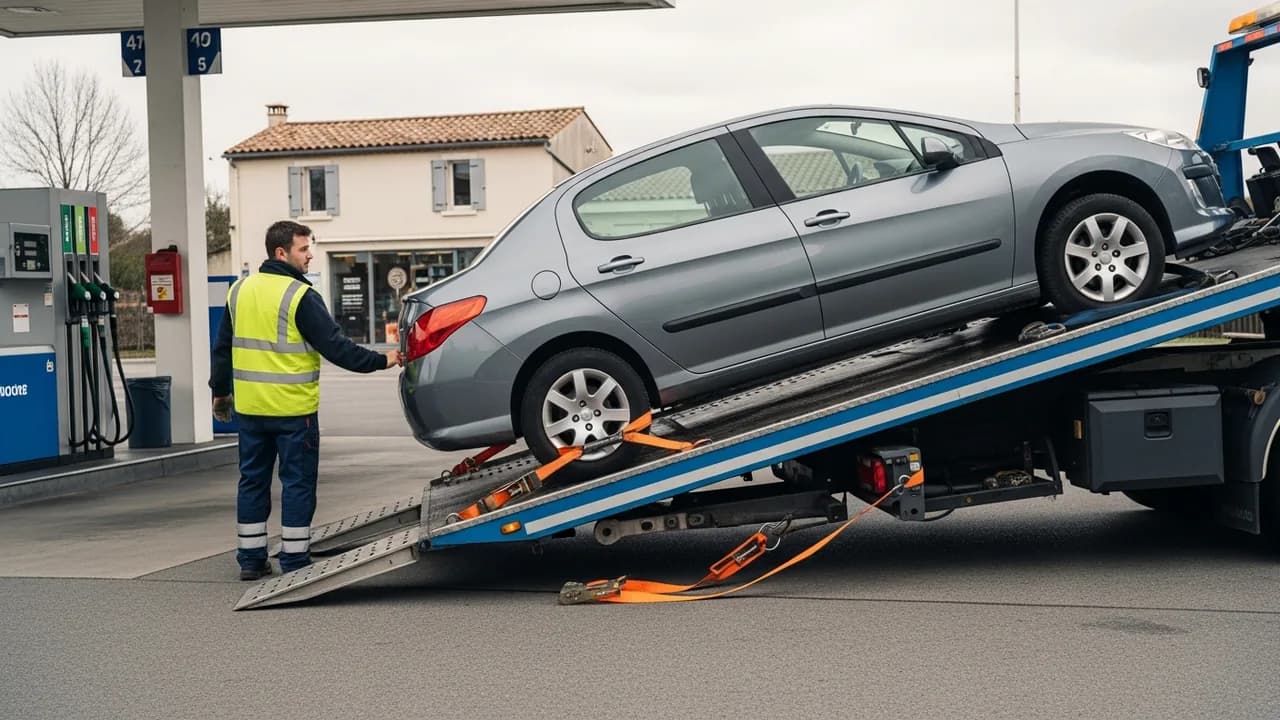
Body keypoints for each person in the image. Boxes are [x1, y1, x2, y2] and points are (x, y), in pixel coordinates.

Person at [210, 220, 402, 581]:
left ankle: (250, 560)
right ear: (281, 253)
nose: (309, 254)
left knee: (252, 480)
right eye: (303, 249)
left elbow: (222, 349)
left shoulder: (240, 291)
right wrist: (382, 360)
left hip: (252, 411)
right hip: (293, 411)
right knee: (297, 482)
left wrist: (220, 394)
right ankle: (295, 559)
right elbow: (337, 348)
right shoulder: (300, 295)